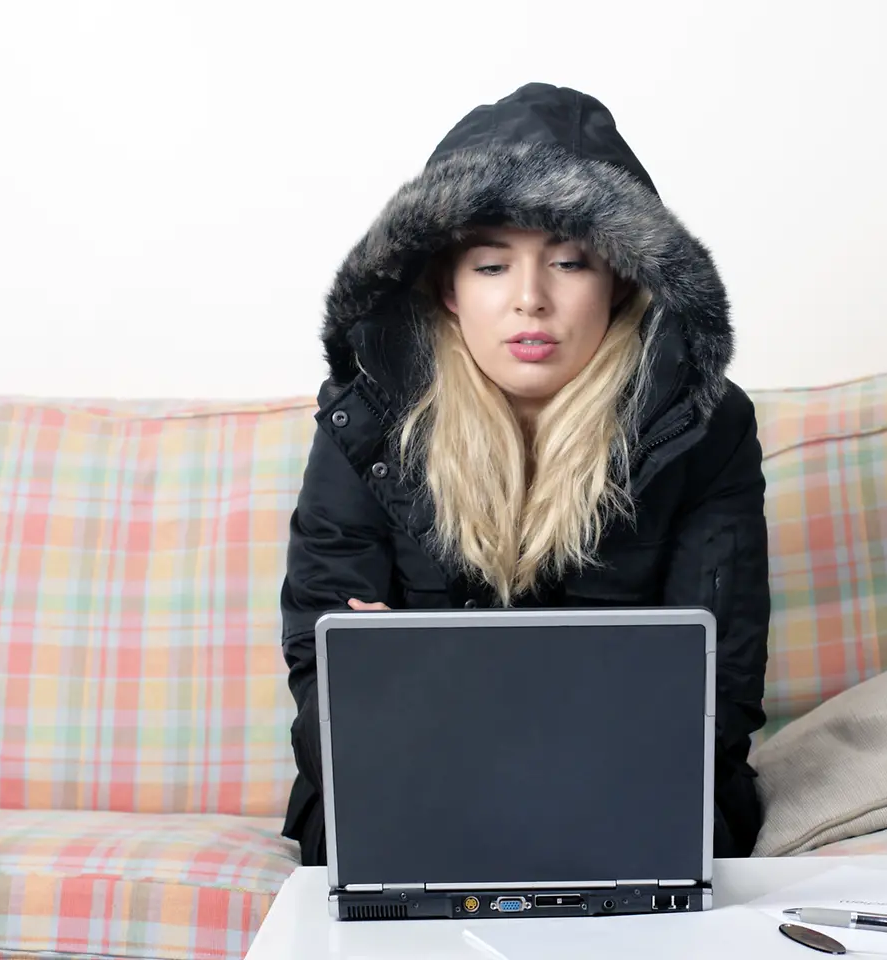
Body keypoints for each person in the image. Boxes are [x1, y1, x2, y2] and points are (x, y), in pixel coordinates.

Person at [279, 82, 770, 866]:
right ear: (446, 285)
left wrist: (419, 685)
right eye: (491, 264)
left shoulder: (708, 426)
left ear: (622, 281)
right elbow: (328, 692)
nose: (530, 300)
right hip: (400, 796)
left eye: (570, 261)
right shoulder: (362, 419)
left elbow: (715, 694)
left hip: (638, 798)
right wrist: (376, 701)